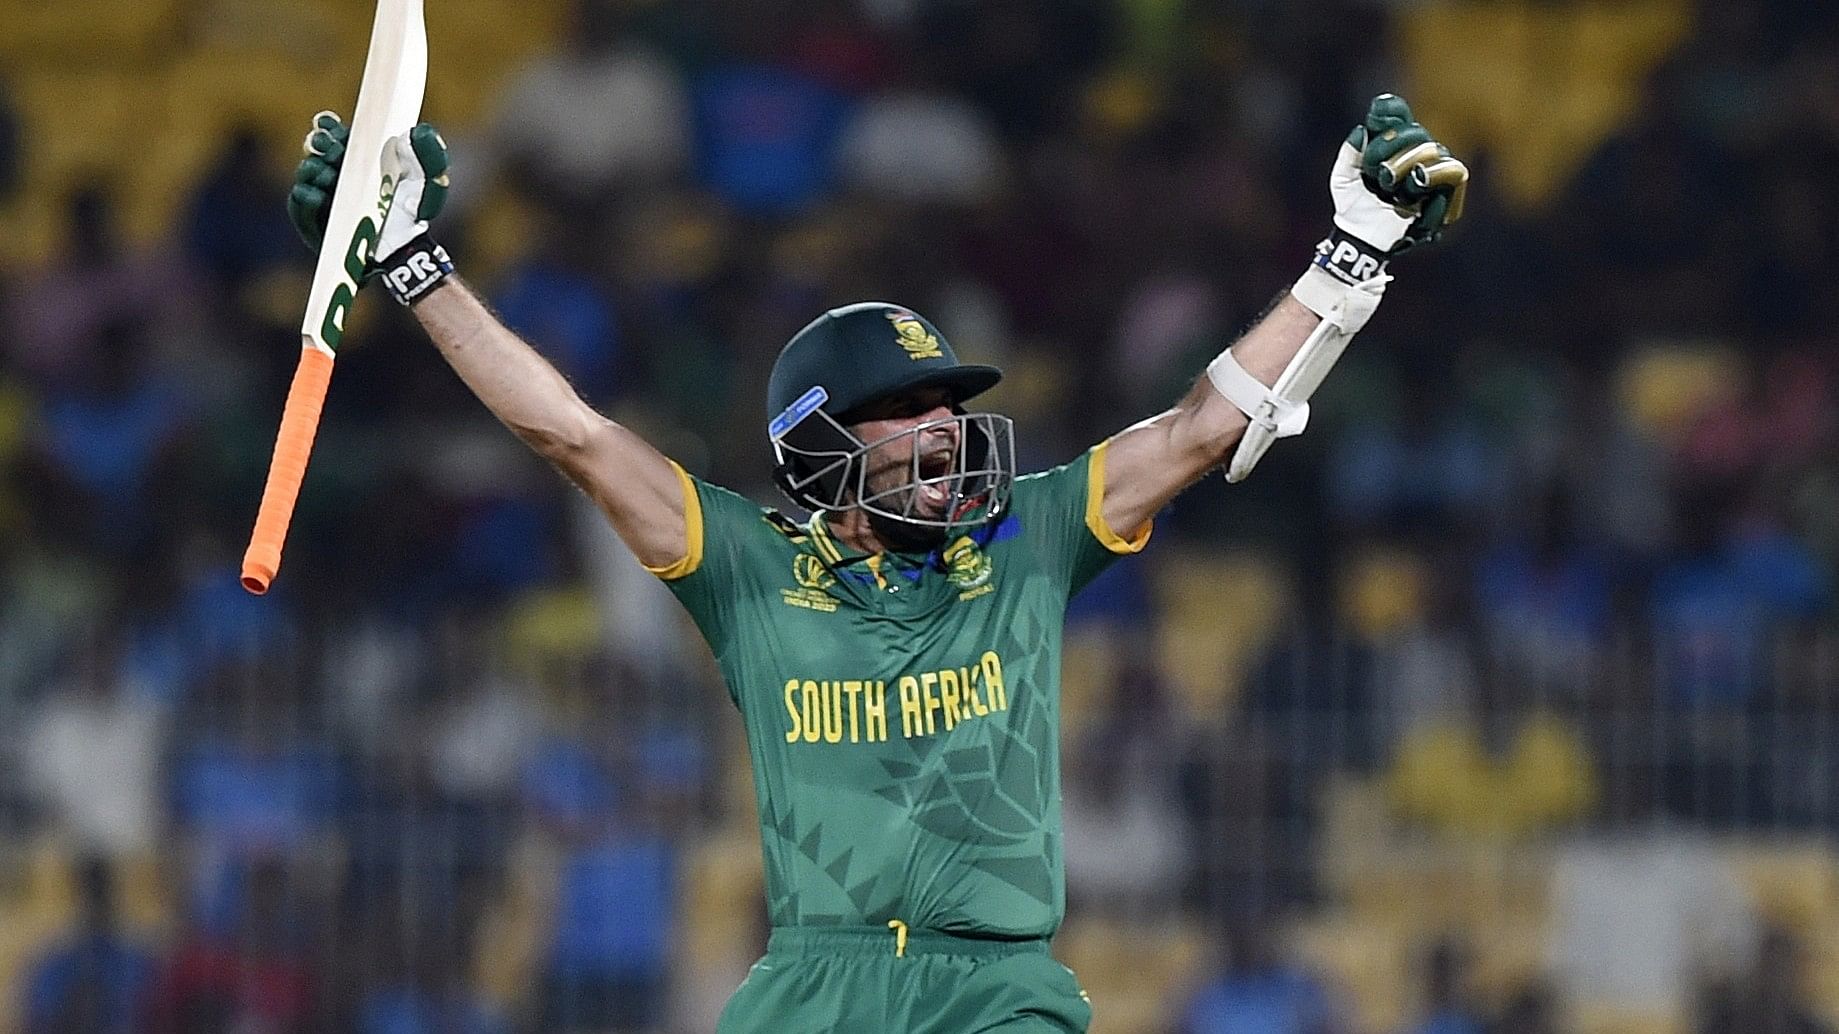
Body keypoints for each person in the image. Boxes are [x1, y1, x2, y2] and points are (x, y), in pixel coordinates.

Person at [285, 93, 1465, 1032]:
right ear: (817, 444)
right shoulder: (746, 568)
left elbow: (1204, 426)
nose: (945, 425)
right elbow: (573, 433)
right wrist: (418, 269)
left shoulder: (1031, 540)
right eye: (904, 407)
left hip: (997, 993)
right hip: (809, 993)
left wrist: (1349, 255)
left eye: (948, 401)